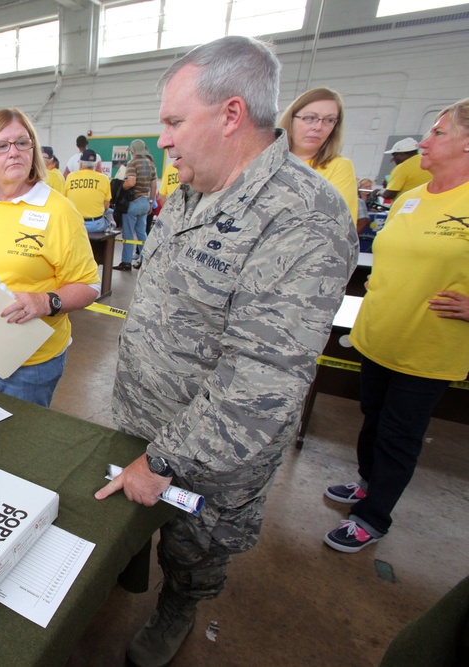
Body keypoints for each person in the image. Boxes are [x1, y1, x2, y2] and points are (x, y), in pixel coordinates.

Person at [94, 36, 357, 667]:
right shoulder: (189, 190)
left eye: (174, 121)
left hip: (212, 453)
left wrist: (162, 460)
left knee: (193, 548)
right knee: (132, 528)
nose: (162, 140)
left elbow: (260, 383)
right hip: (141, 416)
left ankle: (177, 610)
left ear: (231, 114)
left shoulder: (303, 217)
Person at [323, 99, 469, 554]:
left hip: (426, 349)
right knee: (373, 420)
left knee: (400, 435)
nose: (425, 141)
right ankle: (368, 483)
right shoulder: (411, 198)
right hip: (379, 335)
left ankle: (373, 517)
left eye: (439, 133)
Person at [0, 108, 100, 408]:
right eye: (1, 146)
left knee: (19, 441)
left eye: (22, 143)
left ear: (33, 150)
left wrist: (46, 302)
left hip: (30, 360)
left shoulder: (59, 211)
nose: (13, 153)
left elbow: (89, 286)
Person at [278, 87, 359, 223]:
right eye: (310, 118)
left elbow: (337, 224)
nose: (318, 127)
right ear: (291, 119)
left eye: (329, 120)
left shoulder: (339, 166)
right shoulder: (266, 160)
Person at [114, 139, 156, 271]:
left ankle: (126, 262)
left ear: (132, 151)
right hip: (145, 202)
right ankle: (144, 261)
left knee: (128, 234)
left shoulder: (132, 163)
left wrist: (121, 187)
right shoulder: (150, 164)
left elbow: (131, 182)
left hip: (132, 203)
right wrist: (150, 202)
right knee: (142, 233)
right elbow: (154, 185)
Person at [64, 148, 111, 233]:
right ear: (95, 165)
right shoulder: (104, 178)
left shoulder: (70, 177)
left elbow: (65, 201)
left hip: (76, 223)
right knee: (110, 212)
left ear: (80, 164)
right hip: (96, 225)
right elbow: (106, 206)